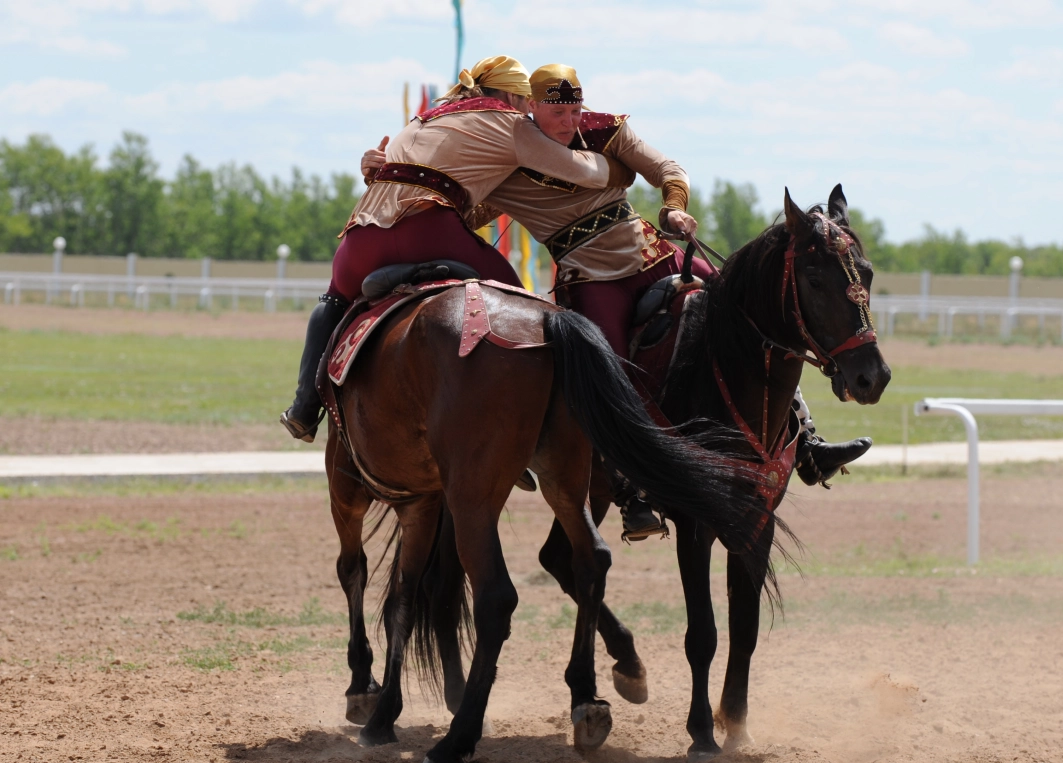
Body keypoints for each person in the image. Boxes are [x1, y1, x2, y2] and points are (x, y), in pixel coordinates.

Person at [360, 64, 870, 537]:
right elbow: (458, 210)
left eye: (574, 110)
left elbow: (666, 166)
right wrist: (390, 171)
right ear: (529, 109)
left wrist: (673, 207)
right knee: (610, 370)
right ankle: (629, 489)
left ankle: (807, 443)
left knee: (750, 318)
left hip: (658, 251)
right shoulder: (508, 157)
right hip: (588, 277)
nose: (569, 121)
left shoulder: (609, 130)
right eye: (556, 112)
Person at [280, 55, 634, 443]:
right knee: (522, 308)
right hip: (429, 230)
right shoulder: (511, 122)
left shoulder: (427, 117)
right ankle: (541, 432)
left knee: (332, 300)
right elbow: (580, 171)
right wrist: (621, 171)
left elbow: (400, 172)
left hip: (362, 235)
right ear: (513, 97)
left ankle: (303, 408)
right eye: (524, 101)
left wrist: (370, 169)